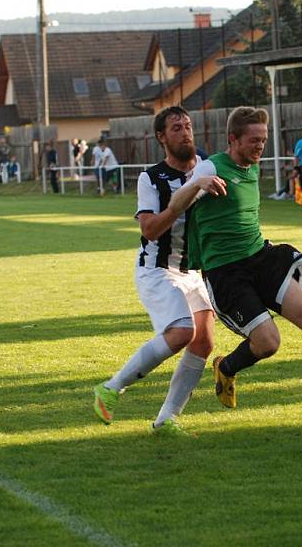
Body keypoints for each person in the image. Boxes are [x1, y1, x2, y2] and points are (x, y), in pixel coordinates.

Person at [181, 106, 302, 422]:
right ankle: (226, 367)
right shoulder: (209, 169)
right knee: (269, 343)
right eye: (254, 140)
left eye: (264, 140)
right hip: (226, 272)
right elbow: (180, 204)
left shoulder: (252, 166)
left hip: (261, 258)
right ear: (233, 139)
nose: (260, 146)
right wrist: (195, 188)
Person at [93, 105, 226, 436]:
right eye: (176, 128)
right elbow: (150, 230)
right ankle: (111, 388)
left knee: (204, 342)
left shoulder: (207, 167)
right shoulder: (150, 178)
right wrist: (186, 196)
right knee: (182, 332)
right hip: (157, 268)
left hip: (191, 271)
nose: (185, 132)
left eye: (188, 126)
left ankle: (167, 419)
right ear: (161, 137)